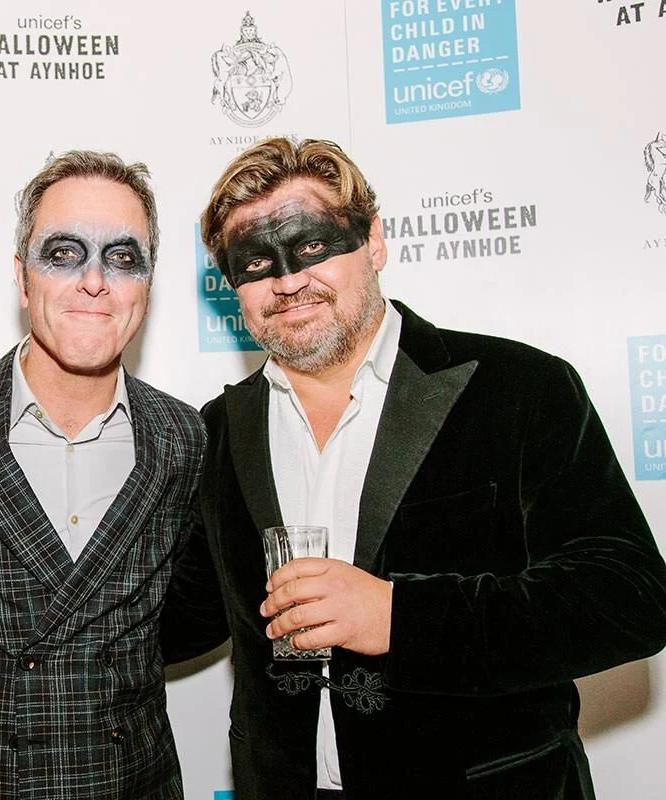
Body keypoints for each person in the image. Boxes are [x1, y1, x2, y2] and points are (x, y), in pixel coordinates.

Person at [162, 137, 666, 799]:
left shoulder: (518, 389)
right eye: (255, 262)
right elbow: (182, 617)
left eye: (311, 246)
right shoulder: (219, 430)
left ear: (373, 241)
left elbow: (628, 599)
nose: (287, 281)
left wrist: (401, 616)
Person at [0, 151, 205, 798]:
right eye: (64, 253)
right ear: (22, 279)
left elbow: (199, 613)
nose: (95, 281)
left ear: (147, 286)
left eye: (123, 258)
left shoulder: (183, 438)